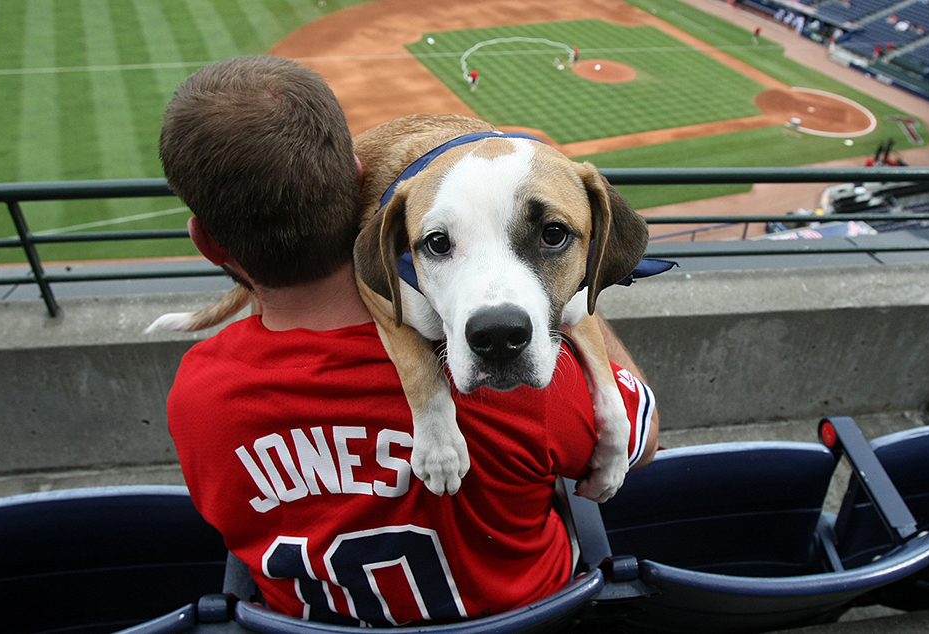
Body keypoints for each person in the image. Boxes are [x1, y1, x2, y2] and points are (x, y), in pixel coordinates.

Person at [161, 55, 659, 626]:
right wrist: (572, 288)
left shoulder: (200, 400)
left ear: (205, 242)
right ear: (360, 182)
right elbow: (640, 442)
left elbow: (231, 528)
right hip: (533, 619)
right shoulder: (524, 383)